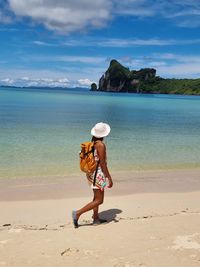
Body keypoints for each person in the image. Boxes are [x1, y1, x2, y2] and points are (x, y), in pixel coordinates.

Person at [72, 122, 113, 228]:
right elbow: (102, 163)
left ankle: (95, 218)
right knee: (99, 200)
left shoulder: (93, 142)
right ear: (104, 134)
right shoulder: (101, 145)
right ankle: (77, 213)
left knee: (96, 197)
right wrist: (109, 177)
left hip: (91, 173)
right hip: (98, 174)